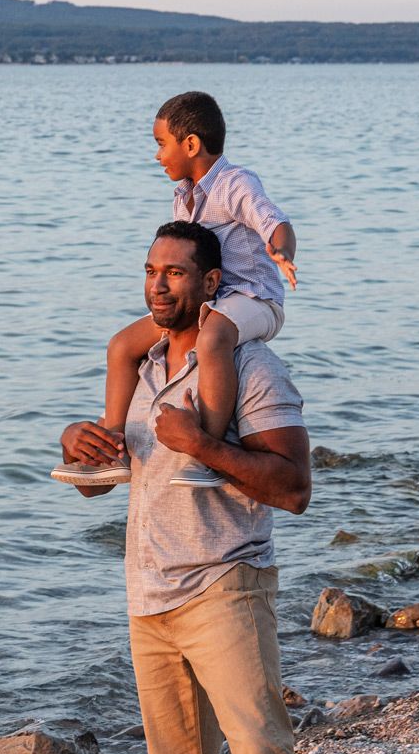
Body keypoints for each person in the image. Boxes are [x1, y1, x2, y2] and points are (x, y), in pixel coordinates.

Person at [58, 220, 369, 754]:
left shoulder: (254, 368)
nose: (159, 284)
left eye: (175, 273)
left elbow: (293, 488)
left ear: (209, 284)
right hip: (149, 593)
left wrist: (204, 444)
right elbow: (120, 472)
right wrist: (79, 443)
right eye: (150, 270)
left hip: (227, 582)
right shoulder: (143, 367)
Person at [52, 91, 296, 490]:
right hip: (209, 300)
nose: (157, 155)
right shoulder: (183, 196)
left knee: (215, 336)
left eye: (161, 144)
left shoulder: (235, 183)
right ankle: (110, 450)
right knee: (121, 345)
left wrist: (281, 251)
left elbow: (273, 220)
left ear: (191, 144)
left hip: (254, 299)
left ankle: (206, 453)